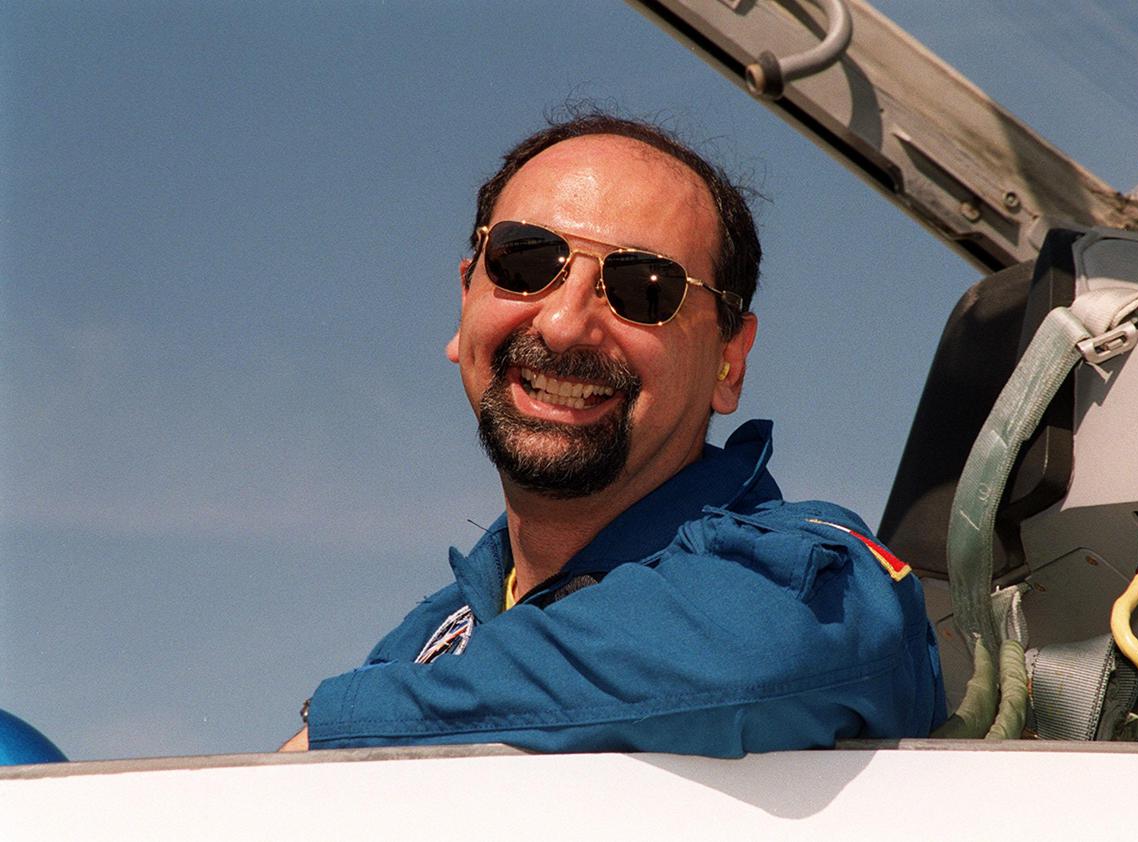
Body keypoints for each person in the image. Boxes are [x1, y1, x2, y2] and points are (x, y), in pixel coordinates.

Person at [283, 113, 945, 757]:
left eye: (643, 288)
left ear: (729, 360)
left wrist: (347, 725)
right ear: (466, 301)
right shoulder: (423, 646)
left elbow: (770, 645)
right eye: (523, 261)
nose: (563, 325)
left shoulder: (824, 582)